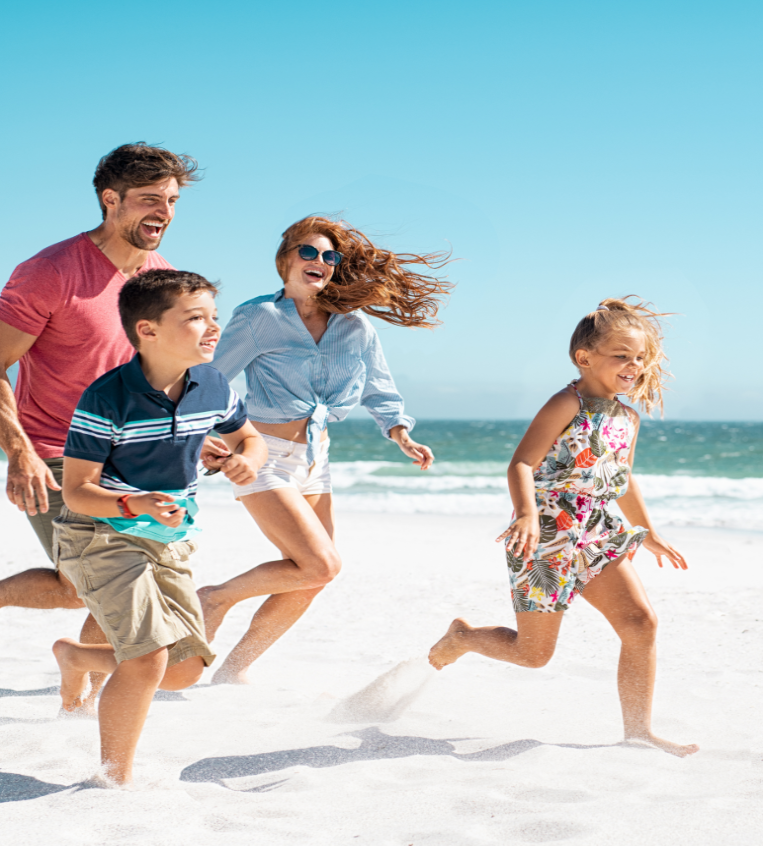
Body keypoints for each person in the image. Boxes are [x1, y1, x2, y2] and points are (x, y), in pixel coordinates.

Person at [428, 297, 699, 758]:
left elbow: (622, 479)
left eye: (639, 357)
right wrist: (528, 514)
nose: (633, 365)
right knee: (534, 656)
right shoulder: (565, 403)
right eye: (621, 355)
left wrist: (647, 531)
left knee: (641, 623)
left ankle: (638, 732)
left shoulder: (627, 418)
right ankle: (463, 638)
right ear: (584, 358)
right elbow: (521, 463)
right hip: (546, 535)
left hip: (598, 531)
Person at [0, 142, 213, 712]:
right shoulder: (50, 272)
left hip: (134, 460)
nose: (163, 212)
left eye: (171, 201)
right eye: (149, 199)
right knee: (83, 586)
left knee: (104, 589)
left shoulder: (163, 279)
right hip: (55, 455)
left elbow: (162, 374)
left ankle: (80, 682)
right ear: (110, 199)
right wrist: (18, 450)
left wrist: (197, 432)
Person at [199, 215, 452, 684]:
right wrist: (199, 434)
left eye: (329, 256)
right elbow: (211, 378)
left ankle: (234, 670)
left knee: (314, 576)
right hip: (263, 452)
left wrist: (401, 433)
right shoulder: (260, 318)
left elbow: (379, 389)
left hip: (316, 459)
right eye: (308, 252)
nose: (319, 261)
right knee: (320, 562)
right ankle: (215, 597)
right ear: (286, 259)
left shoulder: (354, 327)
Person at [52, 269, 266, 785]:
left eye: (214, 317)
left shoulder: (213, 384)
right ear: (147, 331)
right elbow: (76, 488)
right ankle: (112, 779)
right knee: (147, 659)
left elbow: (250, 439)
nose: (213, 328)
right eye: (196, 319)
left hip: (170, 538)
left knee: (185, 669)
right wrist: (135, 503)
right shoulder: (107, 398)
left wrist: (246, 462)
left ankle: (76, 655)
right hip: (101, 534)